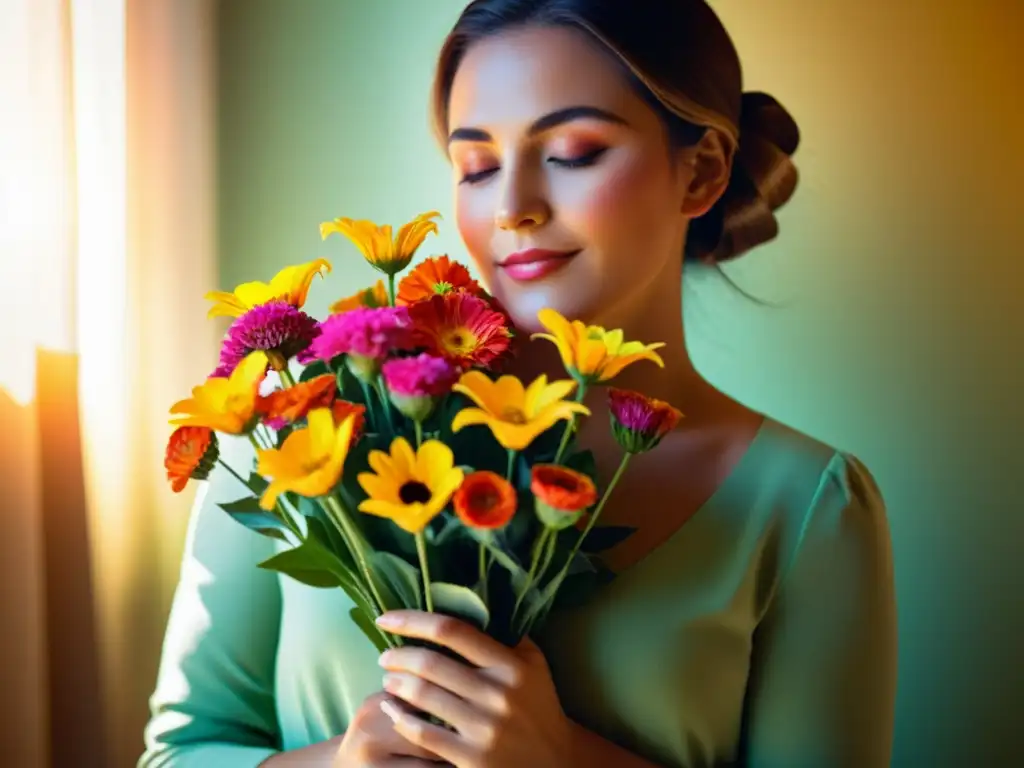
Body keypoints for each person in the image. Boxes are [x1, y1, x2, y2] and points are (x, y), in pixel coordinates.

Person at [140, 1, 897, 766]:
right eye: (477, 166)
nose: (512, 209)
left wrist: (563, 758)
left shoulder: (806, 507)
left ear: (700, 172)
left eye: (572, 152)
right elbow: (176, 753)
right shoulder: (305, 430)